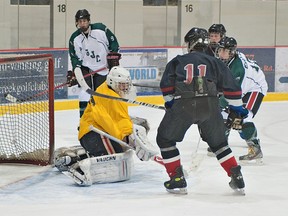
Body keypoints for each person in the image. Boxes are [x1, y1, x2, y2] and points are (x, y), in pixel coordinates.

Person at [156, 27, 247, 195]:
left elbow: (167, 87)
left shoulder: (178, 61)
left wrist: (170, 106)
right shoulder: (215, 62)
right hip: (210, 107)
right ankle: (236, 175)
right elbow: (232, 88)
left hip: (183, 106)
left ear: (191, 43)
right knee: (219, 144)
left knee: (165, 139)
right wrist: (237, 110)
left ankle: (177, 179)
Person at [53, 66, 158, 186]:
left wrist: (131, 135)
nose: (125, 87)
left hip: (101, 132)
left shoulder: (114, 93)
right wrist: (126, 137)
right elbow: (106, 121)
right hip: (91, 134)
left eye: (126, 84)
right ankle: (76, 165)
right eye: (122, 84)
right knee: (115, 156)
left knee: (141, 125)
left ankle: (76, 154)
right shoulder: (105, 96)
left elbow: (121, 118)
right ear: (112, 82)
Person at [215, 36, 268, 163]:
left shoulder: (238, 70)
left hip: (254, 88)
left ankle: (255, 149)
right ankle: (222, 143)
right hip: (241, 88)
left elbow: (233, 95)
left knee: (242, 117)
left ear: (232, 52)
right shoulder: (228, 60)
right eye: (220, 50)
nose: (221, 53)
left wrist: (215, 106)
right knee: (224, 114)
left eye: (225, 51)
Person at [67, 9, 121, 118]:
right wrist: (76, 71)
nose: (82, 23)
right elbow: (74, 57)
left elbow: (114, 43)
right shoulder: (74, 38)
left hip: (102, 68)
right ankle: (84, 121)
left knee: (102, 95)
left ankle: (104, 119)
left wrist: (113, 55)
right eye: (80, 21)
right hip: (86, 69)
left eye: (84, 21)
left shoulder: (100, 30)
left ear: (89, 21)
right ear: (77, 22)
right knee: (84, 94)